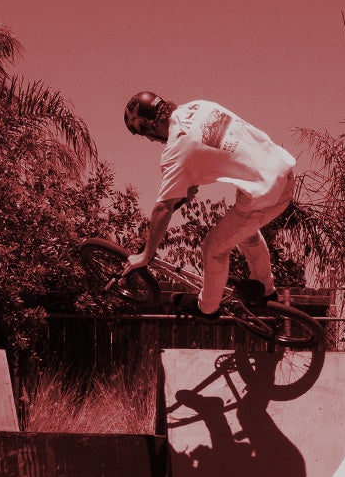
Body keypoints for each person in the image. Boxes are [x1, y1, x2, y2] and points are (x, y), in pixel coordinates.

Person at [122, 91, 297, 316]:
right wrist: (188, 185)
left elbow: (163, 208)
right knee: (246, 233)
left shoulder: (175, 151)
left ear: (147, 126)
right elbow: (212, 149)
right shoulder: (199, 106)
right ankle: (266, 291)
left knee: (212, 248)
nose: (148, 140)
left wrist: (146, 254)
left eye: (142, 133)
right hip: (283, 170)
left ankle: (207, 308)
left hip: (266, 194)